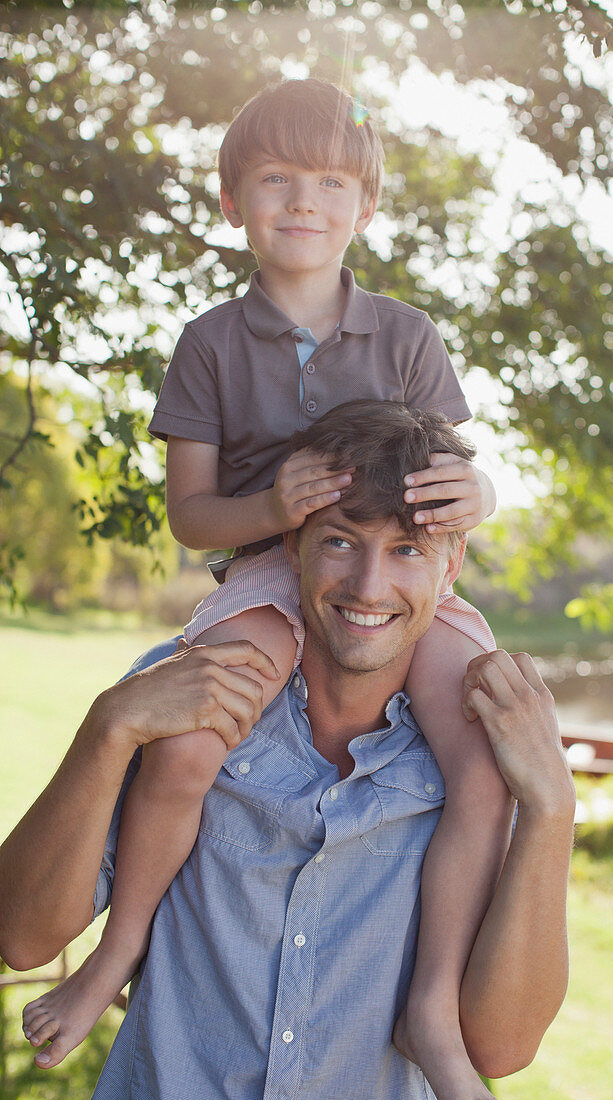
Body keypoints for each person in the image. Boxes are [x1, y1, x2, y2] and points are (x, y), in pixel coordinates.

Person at [16, 78, 503, 1097]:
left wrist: (482, 487)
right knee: (190, 742)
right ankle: (123, 944)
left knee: (484, 754)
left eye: (332, 181)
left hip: (395, 563)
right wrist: (273, 504)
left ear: (364, 208)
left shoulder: (405, 335)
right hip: (270, 573)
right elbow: (192, 514)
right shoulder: (209, 343)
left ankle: (430, 1000)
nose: (304, 200)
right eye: (275, 178)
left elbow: (451, 474)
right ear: (232, 200)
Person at [1, 402, 576, 1100]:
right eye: (339, 542)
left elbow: (501, 1045)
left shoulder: (480, 753)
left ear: (450, 562)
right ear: (292, 545)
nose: (369, 587)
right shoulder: (187, 694)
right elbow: (21, 938)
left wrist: (551, 807)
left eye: (406, 550)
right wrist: (107, 728)